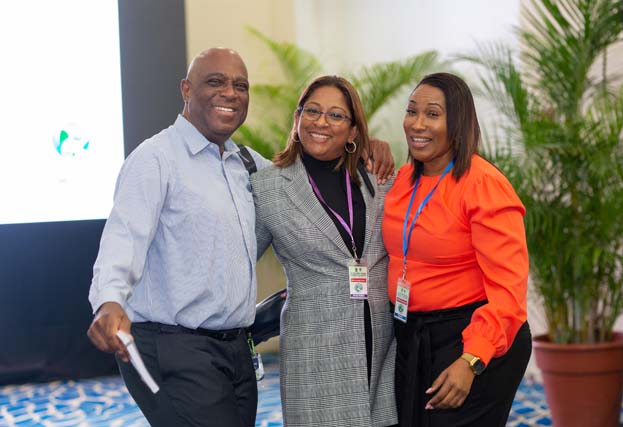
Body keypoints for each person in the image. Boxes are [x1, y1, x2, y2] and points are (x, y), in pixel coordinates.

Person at [86, 48, 394, 427]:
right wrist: (108, 301)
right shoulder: (156, 159)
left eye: (240, 86)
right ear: (186, 89)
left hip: (235, 350)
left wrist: (368, 145)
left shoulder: (248, 166)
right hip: (173, 345)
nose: (230, 93)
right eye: (215, 82)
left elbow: (303, 183)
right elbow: (123, 239)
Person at [382, 73, 531, 427]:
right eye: (412, 111)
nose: (417, 124)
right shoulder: (402, 180)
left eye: (433, 114)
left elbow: (509, 292)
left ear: (459, 123)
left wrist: (472, 360)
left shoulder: (483, 184)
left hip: (472, 337)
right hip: (414, 335)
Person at [251, 75, 398, 427]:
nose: (321, 122)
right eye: (312, 111)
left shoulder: (380, 177)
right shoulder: (268, 188)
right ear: (297, 118)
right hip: (315, 355)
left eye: (336, 115)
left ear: (353, 130)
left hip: (383, 351)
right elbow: (236, 261)